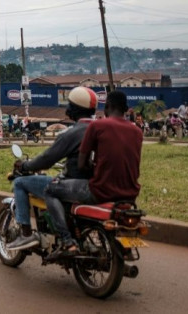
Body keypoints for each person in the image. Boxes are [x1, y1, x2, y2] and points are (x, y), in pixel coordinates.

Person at [44, 90, 142, 257]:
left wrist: (94, 168)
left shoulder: (97, 126)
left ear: (107, 107)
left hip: (101, 191)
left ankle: (67, 240)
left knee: (50, 189)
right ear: (126, 109)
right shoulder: (137, 132)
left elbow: (82, 165)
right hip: (130, 195)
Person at [5, 87, 98, 251]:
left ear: (75, 109)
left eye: (69, 104)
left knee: (20, 183)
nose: (67, 108)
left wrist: (25, 165)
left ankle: (26, 234)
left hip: (73, 186)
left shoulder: (73, 133)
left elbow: (47, 159)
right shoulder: (101, 129)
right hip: (96, 185)